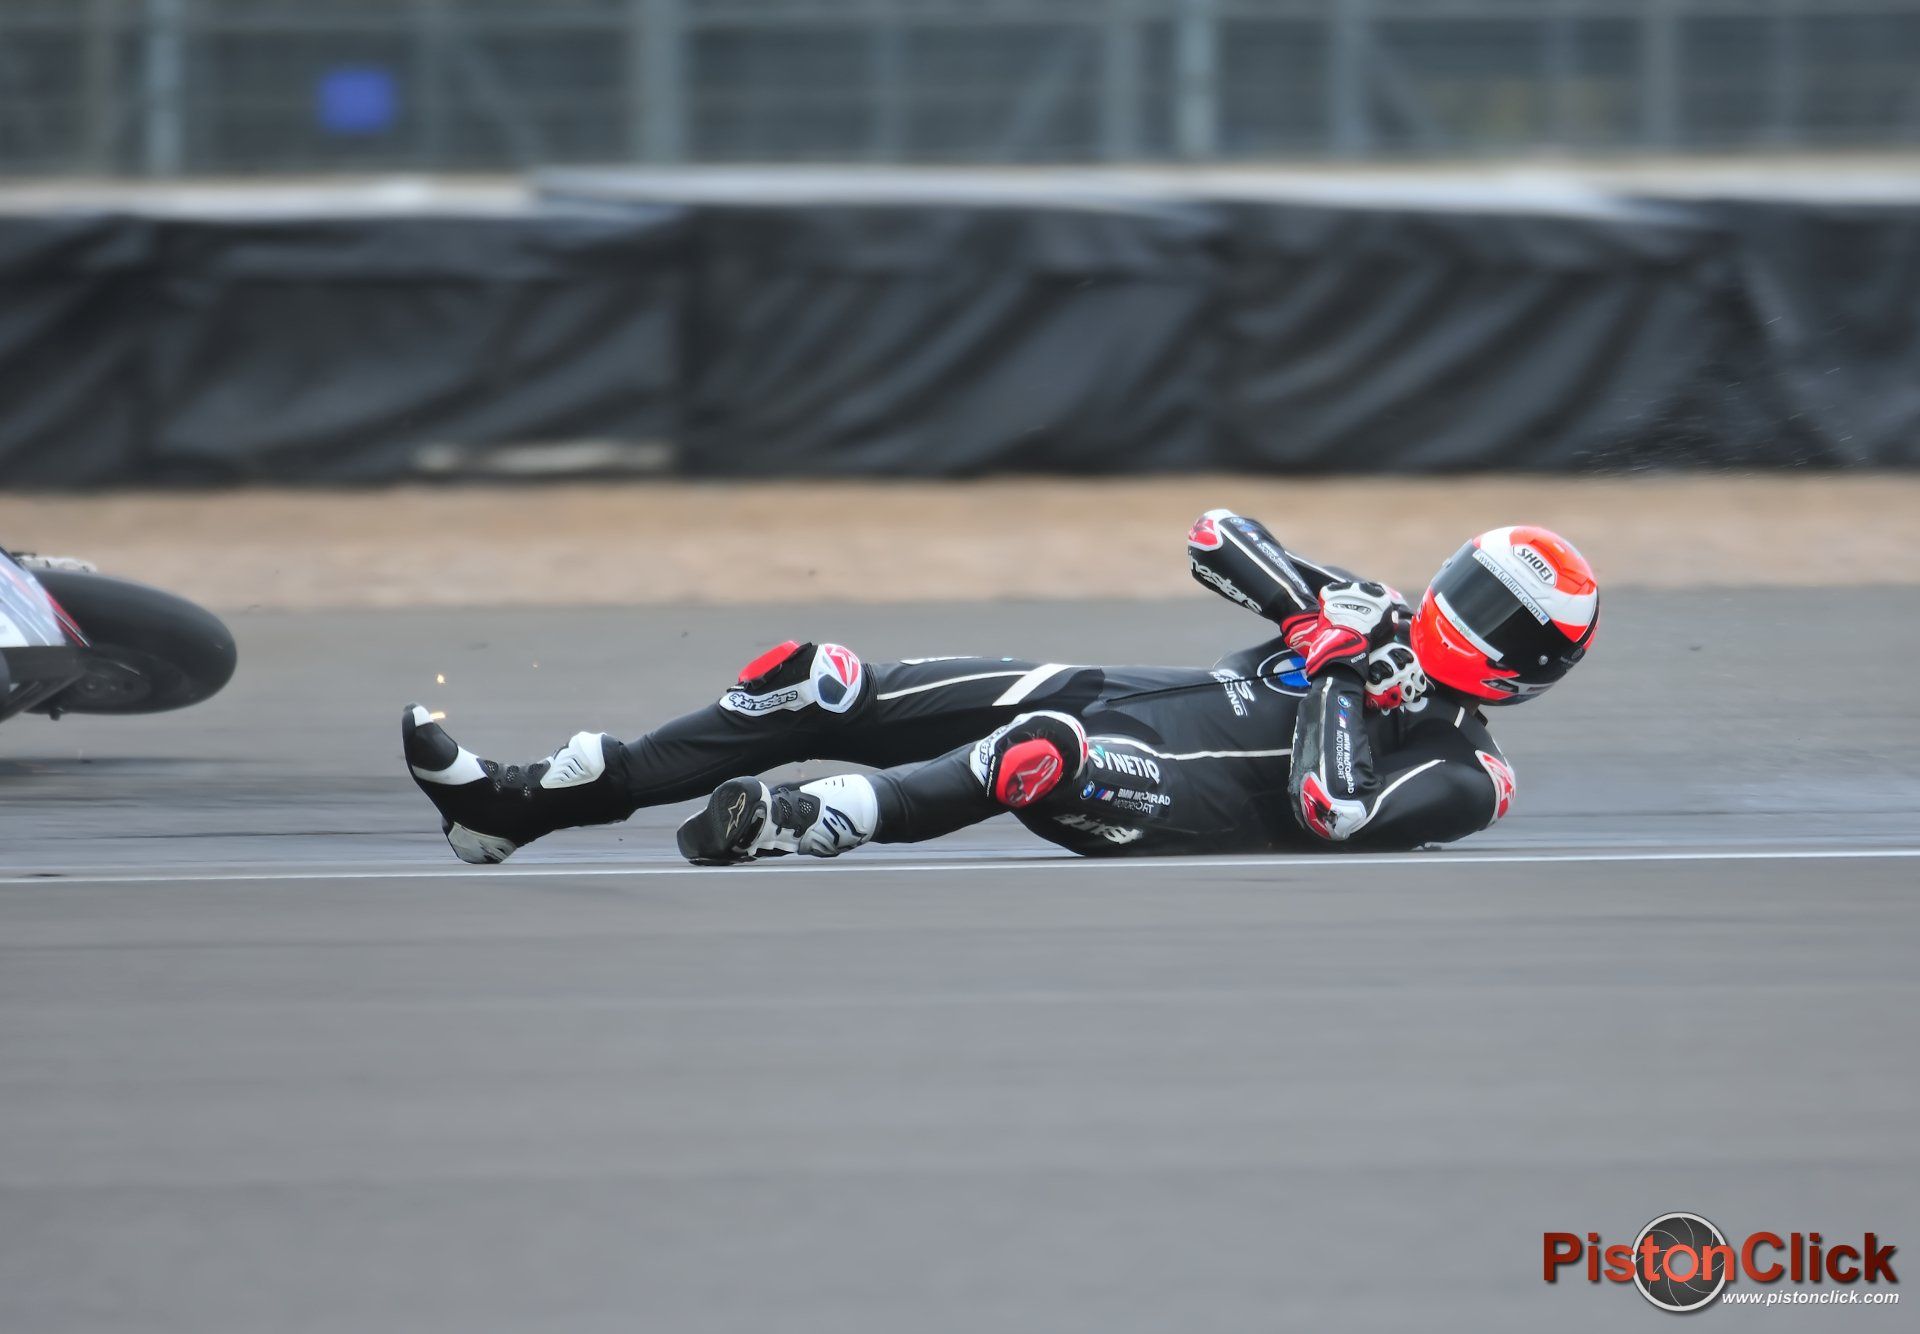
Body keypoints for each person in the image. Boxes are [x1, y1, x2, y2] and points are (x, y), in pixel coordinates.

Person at [402, 511, 1598, 865]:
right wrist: (1311, 613)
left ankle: (804, 825)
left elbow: (1335, 812)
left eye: (1491, 613)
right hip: (1132, 687)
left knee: (1034, 748)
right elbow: (1216, 530)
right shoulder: (1372, 617)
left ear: (1525, 661)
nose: (1455, 611)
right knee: (812, 681)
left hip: (1173, 800)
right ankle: (519, 805)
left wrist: (1343, 682)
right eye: (1465, 581)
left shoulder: (1469, 772)